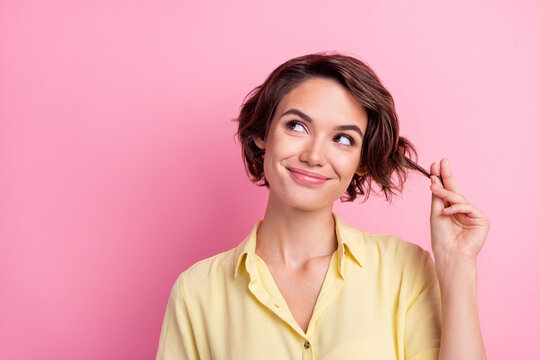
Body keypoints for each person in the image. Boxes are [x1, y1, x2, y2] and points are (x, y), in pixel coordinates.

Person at [156, 52, 489, 359]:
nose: (313, 156)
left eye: (343, 139)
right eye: (297, 126)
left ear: (361, 161)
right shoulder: (197, 291)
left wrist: (457, 264)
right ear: (262, 134)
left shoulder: (405, 269)